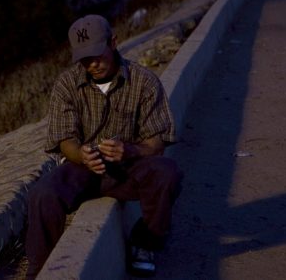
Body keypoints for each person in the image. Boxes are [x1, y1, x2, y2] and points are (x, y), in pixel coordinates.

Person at [25, 14, 182, 278]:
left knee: (167, 173)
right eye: (84, 59)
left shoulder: (144, 81)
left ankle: (145, 243)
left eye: (97, 55)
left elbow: (157, 143)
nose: (92, 64)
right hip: (83, 169)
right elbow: (64, 139)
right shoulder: (67, 84)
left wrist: (131, 150)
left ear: (114, 42)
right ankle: (40, 270)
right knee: (42, 194)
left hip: (128, 170)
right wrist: (81, 154)